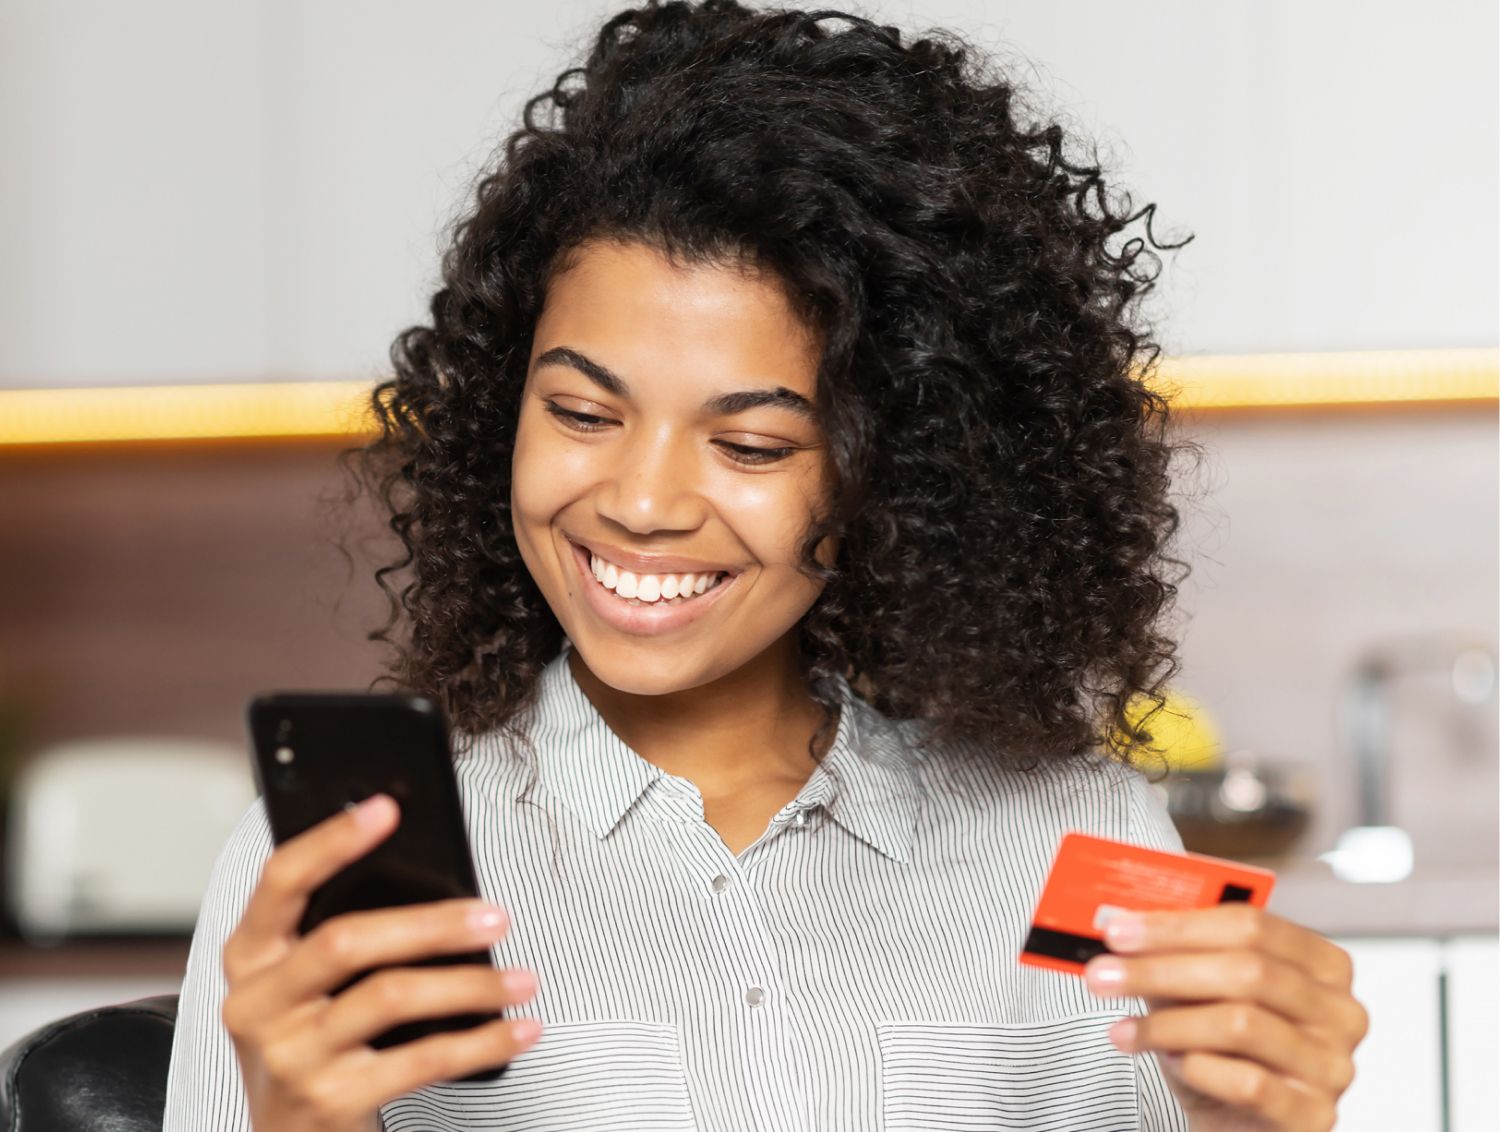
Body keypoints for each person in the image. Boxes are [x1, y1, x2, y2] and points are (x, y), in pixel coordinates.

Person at [163, 2, 1369, 1129]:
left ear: (892, 470)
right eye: (583, 415)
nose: (638, 503)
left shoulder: (1083, 842)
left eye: (750, 442)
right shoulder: (333, 871)